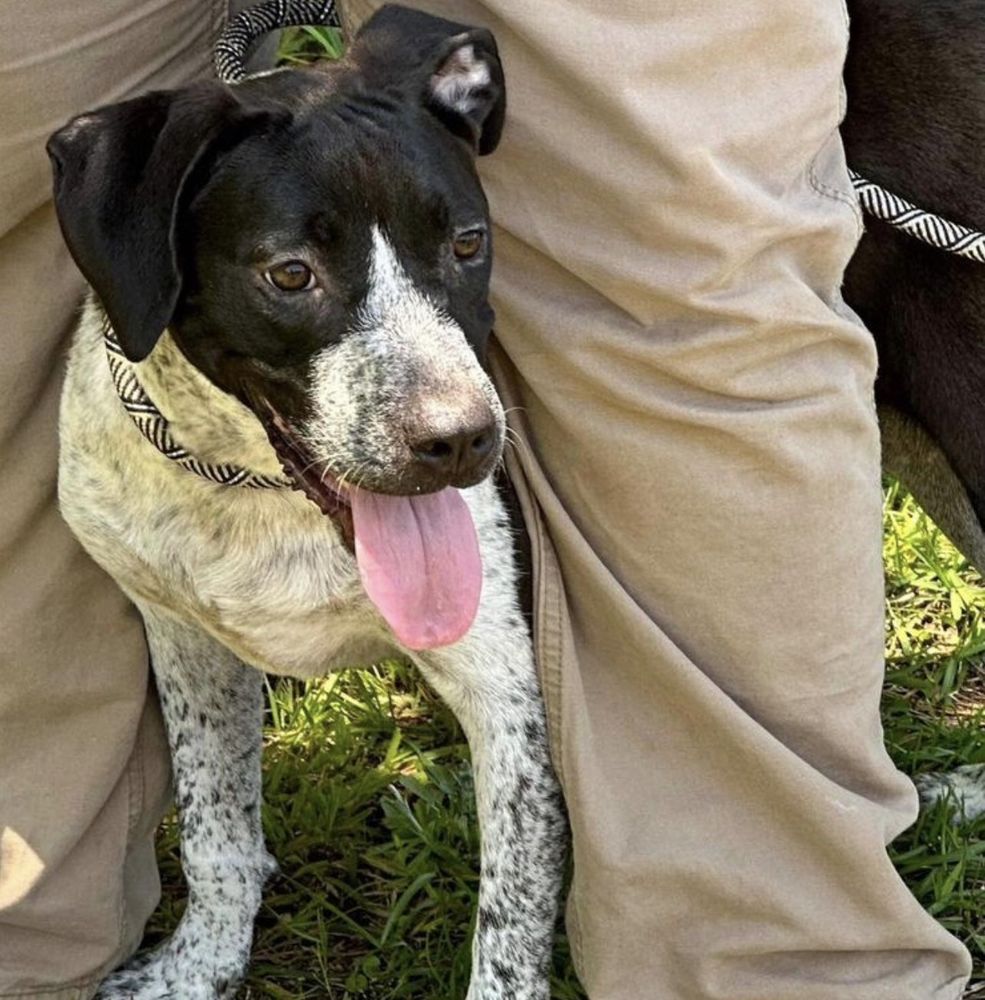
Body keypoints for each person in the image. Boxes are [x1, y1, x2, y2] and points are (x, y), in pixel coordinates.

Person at [0, 2, 972, 998]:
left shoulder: (432, 158)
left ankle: (769, 951)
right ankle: (28, 911)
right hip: (163, 443)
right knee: (15, 164)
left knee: (678, 239)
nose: (450, 410)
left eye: (461, 246)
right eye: (293, 274)